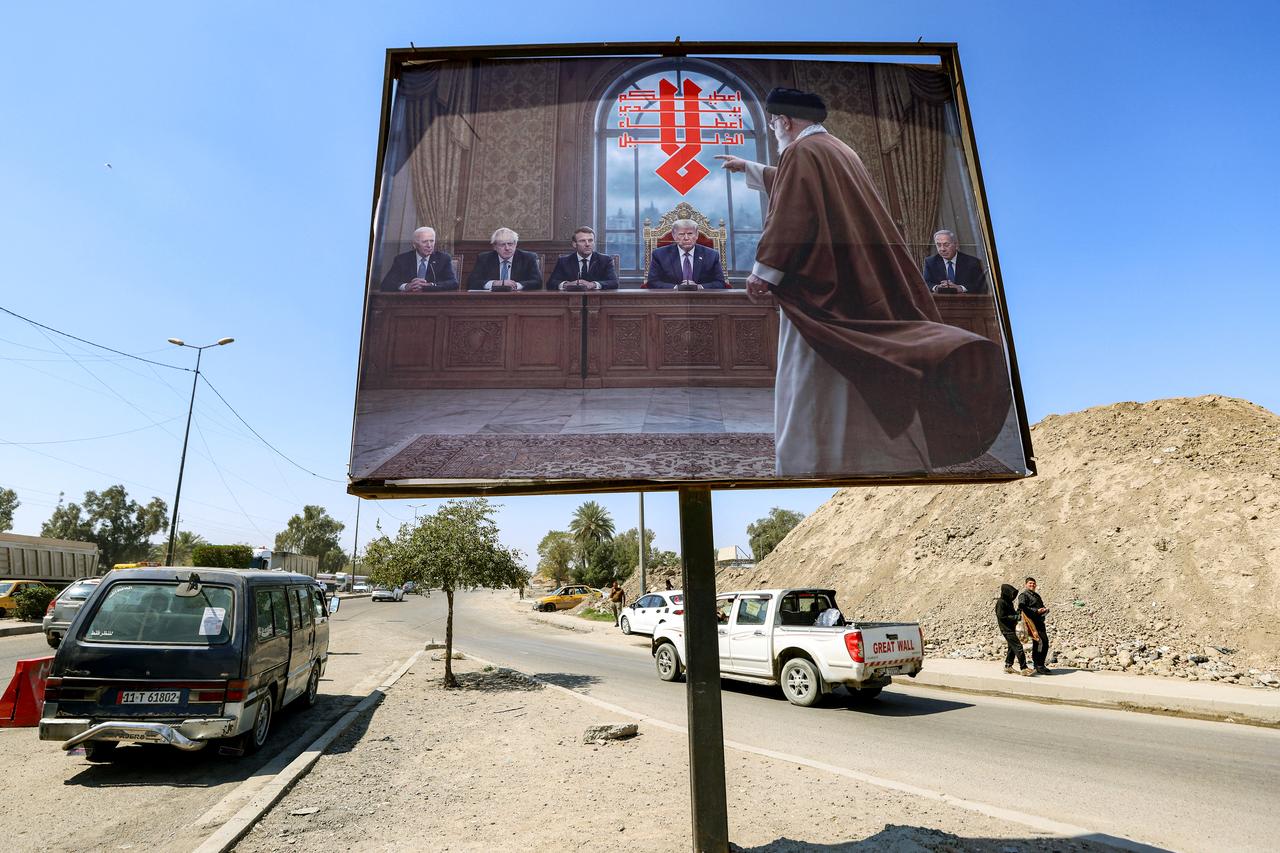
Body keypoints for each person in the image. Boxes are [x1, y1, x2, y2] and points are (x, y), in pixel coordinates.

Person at [716, 88, 1010, 477]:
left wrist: (763, 273)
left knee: (813, 375)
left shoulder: (801, 154)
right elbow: (804, 186)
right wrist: (751, 168)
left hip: (824, 294)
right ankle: (886, 456)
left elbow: (794, 212)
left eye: (772, 124)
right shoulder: (839, 148)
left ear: (785, 121)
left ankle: (810, 462)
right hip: (856, 282)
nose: (773, 132)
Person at [645, 220, 728, 289]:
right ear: (674, 236)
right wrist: (677, 288)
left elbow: (720, 283)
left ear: (697, 235)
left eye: (690, 233)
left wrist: (699, 287)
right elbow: (652, 282)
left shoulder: (712, 255)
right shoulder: (660, 255)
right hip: (670, 300)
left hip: (702, 300)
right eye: (681, 234)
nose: (686, 238)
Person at [379, 226, 459, 292]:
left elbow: (453, 283)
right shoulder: (402, 259)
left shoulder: (443, 259)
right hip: (407, 303)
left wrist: (430, 285)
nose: (429, 245)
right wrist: (406, 286)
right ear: (414, 245)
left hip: (434, 303)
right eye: (424, 242)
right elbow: (386, 284)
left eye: (432, 241)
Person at [466, 228, 542, 291]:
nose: (507, 248)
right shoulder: (484, 258)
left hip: (520, 301)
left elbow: (538, 282)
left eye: (510, 244)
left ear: (515, 244)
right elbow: (471, 283)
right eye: (502, 244)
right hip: (490, 301)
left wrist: (515, 285)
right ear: (494, 247)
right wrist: (495, 283)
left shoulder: (528, 258)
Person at [547, 227, 619, 291]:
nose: (587, 244)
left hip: (596, 301)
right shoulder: (564, 261)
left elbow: (614, 282)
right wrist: (567, 285)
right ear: (574, 244)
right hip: (572, 300)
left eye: (590, 240)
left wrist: (593, 284)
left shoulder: (605, 260)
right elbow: (551, 283)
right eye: (582, 241)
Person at [922, 230, 988, 294]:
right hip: (941, 303)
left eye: (946, 245)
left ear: (956, 245)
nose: (942, 249)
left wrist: (961, 288)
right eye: (938, 245)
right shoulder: (930, 262)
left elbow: (982, 286)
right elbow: (926, 283)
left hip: (967, 302)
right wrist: (937, 288)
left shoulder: (972, 262)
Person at [996, 584, 1033, 676]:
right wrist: (1015, 616)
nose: (1013, 596)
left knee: (1012, 648)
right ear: (1006, 593)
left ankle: (1008, 666)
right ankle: (1024, 668)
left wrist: (1018, 612)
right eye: (1011, 594)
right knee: (1018, 647)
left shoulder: (1009, 602)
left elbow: (1012, 614)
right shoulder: (1001, 602)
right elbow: (1002, 616)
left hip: (1011, 628)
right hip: (1006, 629)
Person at [1017, 576, 1051, 674]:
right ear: (1026, 585)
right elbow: (1022, 607)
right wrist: (1036, 610)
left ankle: (1040, 664)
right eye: (1030, 583)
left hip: (1039, 622)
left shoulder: (1036, 596)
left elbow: (1040, 607)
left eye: (1034, 583)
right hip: (1031, 623)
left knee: (1042, 642)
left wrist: (1044, 610)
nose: (1032, 585)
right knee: (1041, 642)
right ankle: (1038, 665)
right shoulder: (1023, 595)